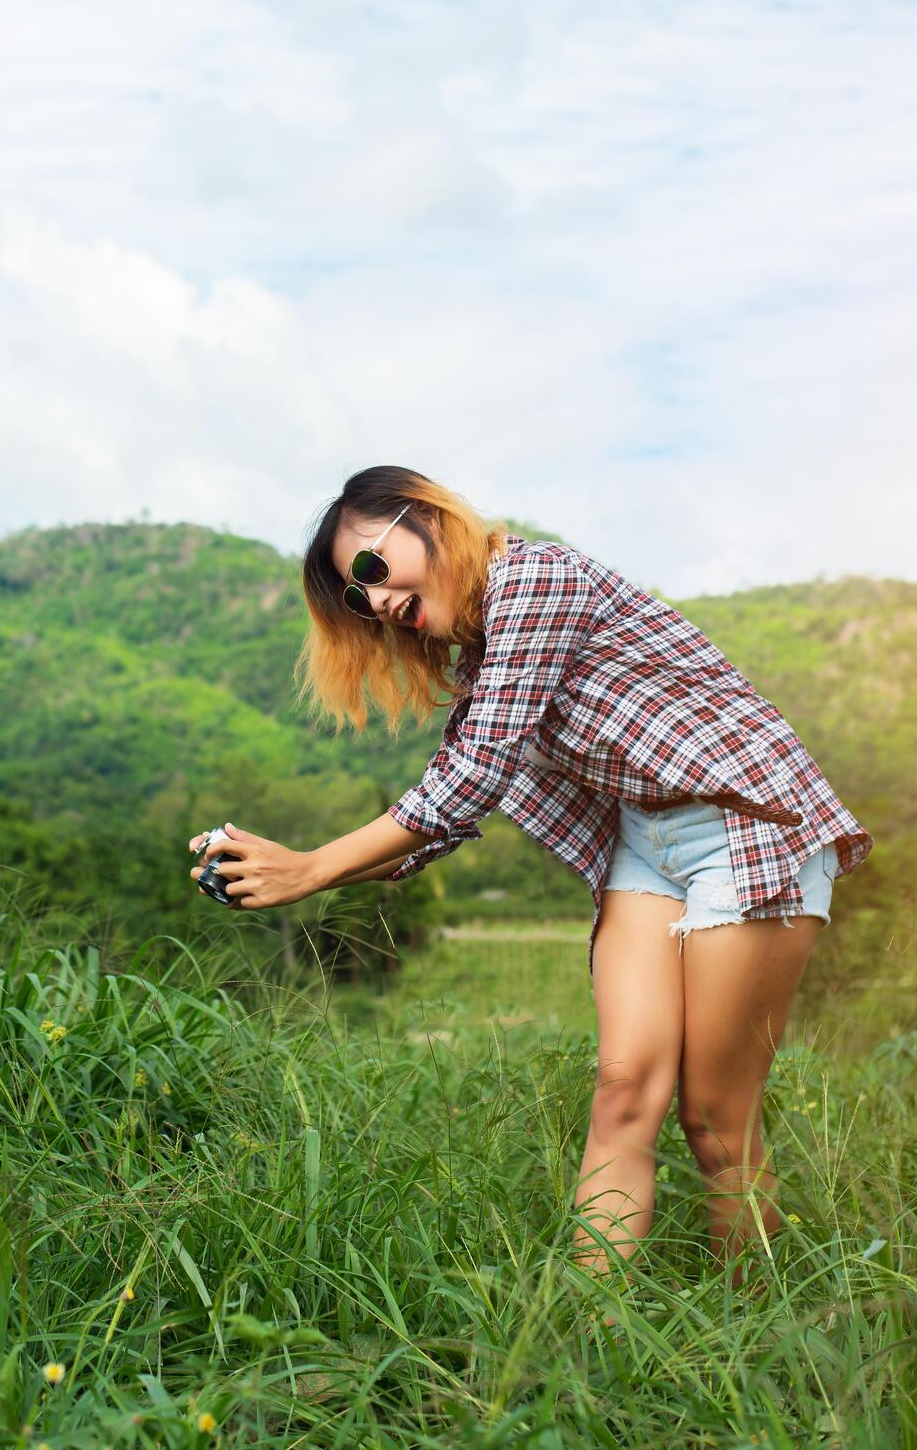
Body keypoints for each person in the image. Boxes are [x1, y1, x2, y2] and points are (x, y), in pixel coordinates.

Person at [189, 465, 872, 1279]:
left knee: (716, 1117)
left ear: (428, 520)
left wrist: (307, 870)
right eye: (353, 598)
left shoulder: (536, 579)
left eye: (370, 568)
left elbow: (471, 777)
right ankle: (584, 1336)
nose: (371, 602)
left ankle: (752, 1327)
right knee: (624, 1094)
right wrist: (274, 866)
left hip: (745, 821)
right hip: (646, 841)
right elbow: (447, 817)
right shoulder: (485, 663)